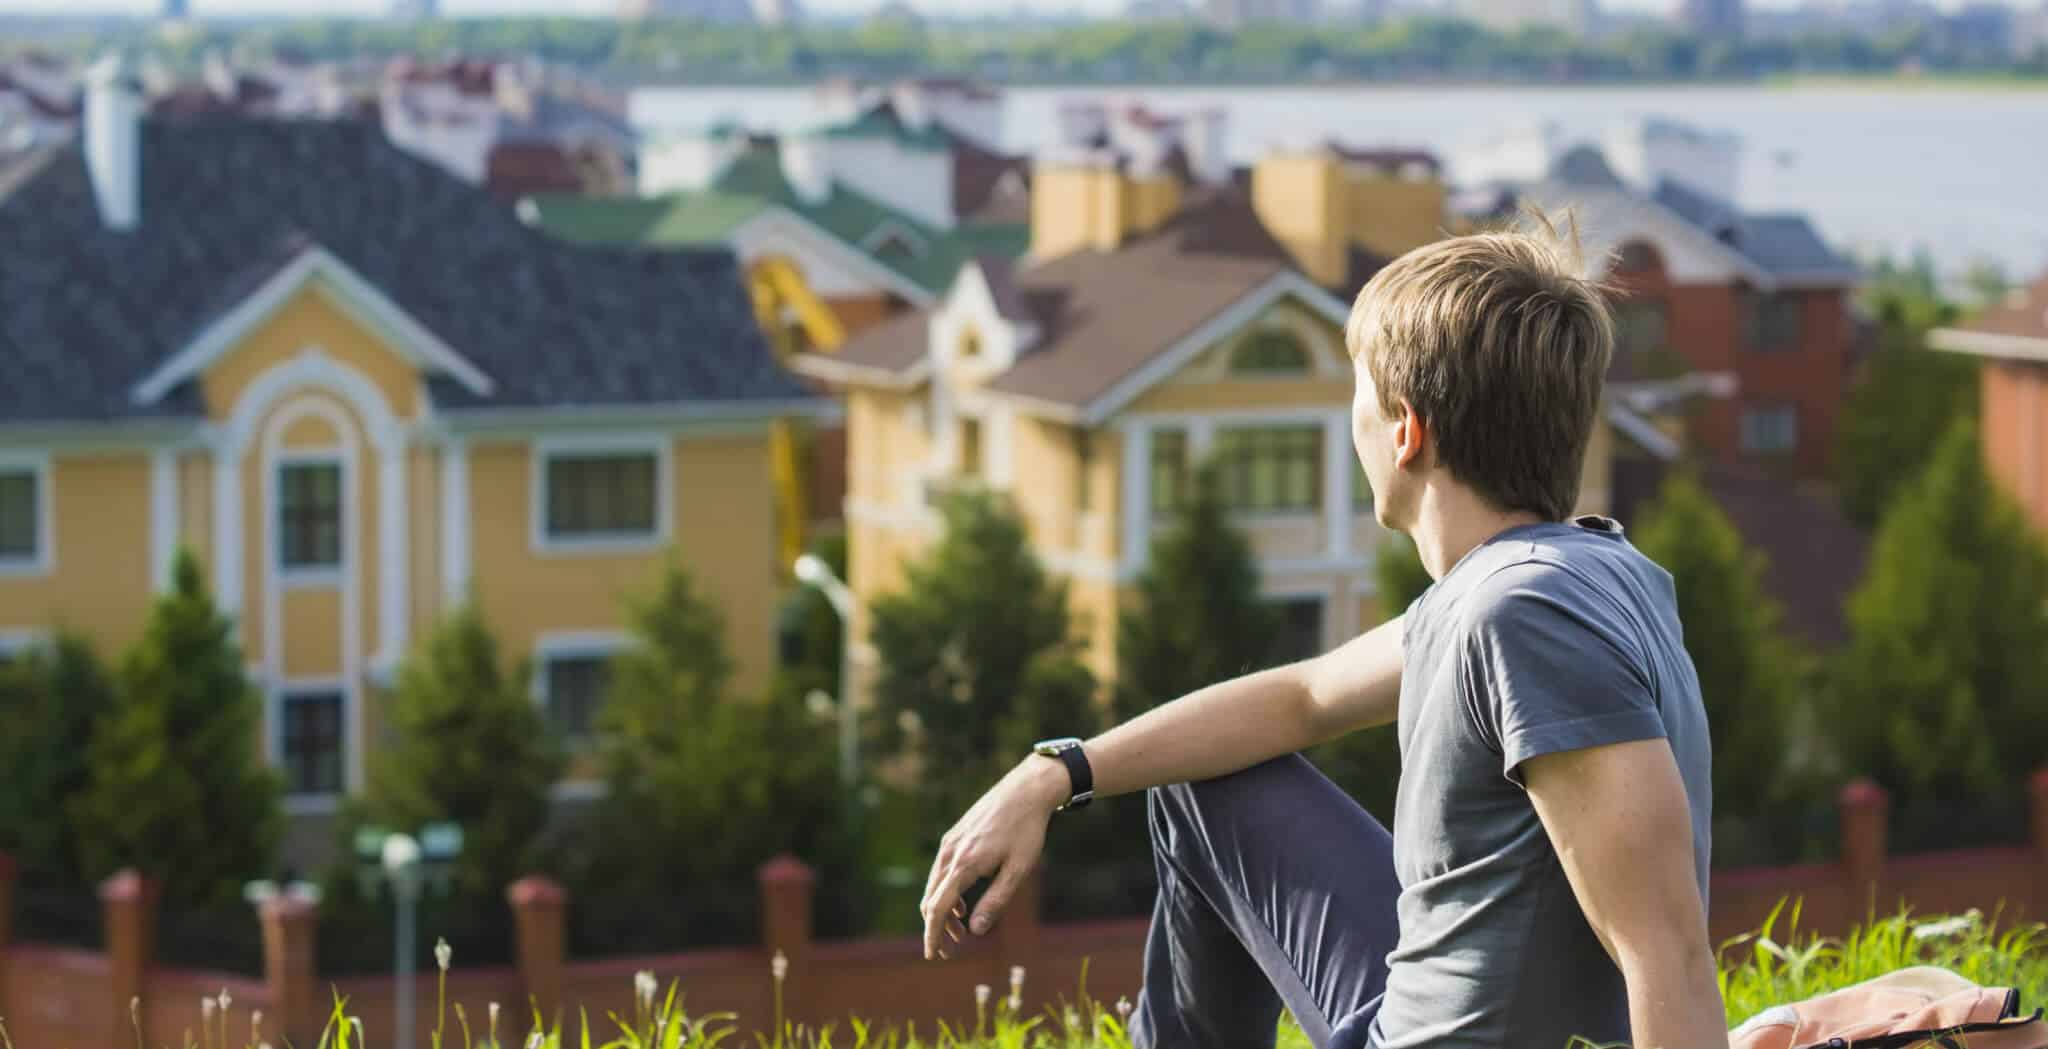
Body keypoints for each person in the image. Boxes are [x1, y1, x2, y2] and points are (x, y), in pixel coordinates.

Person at [917, 219, 1729, 1049]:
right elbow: (1301, 698)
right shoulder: (1554, 579)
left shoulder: (1522, 617)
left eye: (1360, 393)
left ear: (1408, 430)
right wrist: (1054, 772)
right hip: (1417, 1009)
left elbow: (1667, 948)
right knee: (1201, 780)